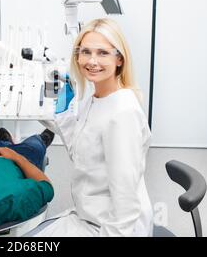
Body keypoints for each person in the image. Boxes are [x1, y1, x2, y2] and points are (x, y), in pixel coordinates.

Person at [35, 18, 153, 237]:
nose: (92, 61)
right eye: (86, 52)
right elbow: (84, 157)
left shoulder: (123, 114)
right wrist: (64, 117)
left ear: (119, 59)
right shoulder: (95, 98)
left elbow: (126, 205)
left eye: (102, 53)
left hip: (113, 229)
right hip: (90, 215)